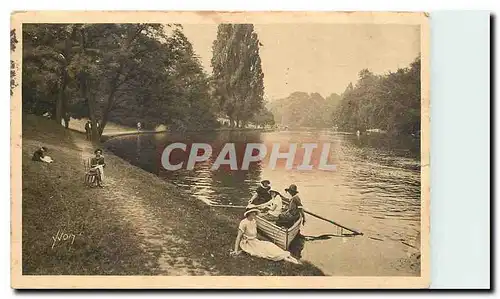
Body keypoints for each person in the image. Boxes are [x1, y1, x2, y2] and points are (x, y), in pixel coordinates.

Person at [230, 208, 299, 264]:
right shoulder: (243, 223)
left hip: (255, 241)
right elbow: (238, 237)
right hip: (248, 243)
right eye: (253, 213)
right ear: (249, 214)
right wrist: (236, 250)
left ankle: (286, 255)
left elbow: (254, 234)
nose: (255, 214)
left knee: (269, 245)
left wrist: (257, 240)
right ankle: (285, 258)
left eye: (255, 213)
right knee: (265, 252)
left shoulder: (254, 221)